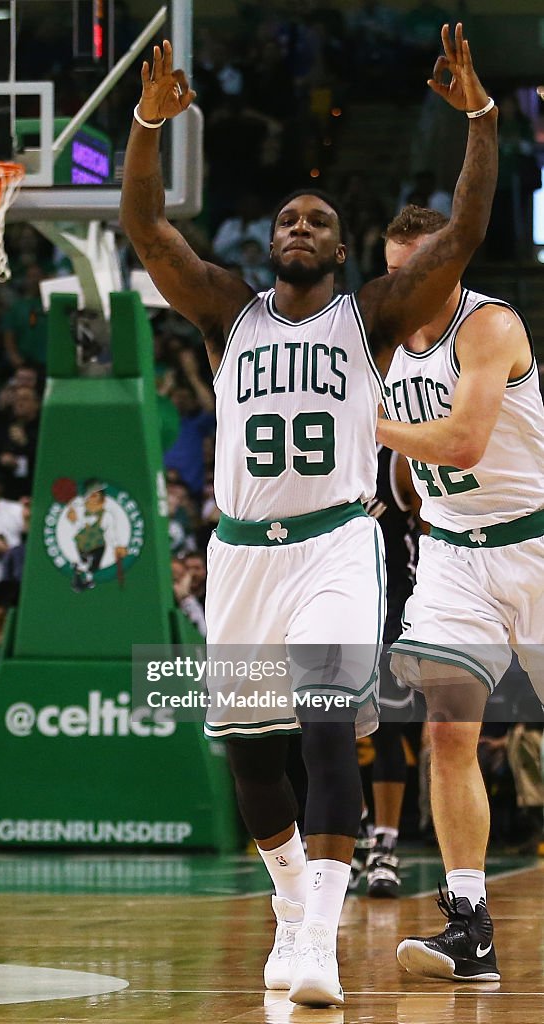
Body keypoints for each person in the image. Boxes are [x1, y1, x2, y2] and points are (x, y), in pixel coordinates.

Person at [120, 26, 497, 1007]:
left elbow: (459, 235)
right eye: (285, 217)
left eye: (316, 220)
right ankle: (290, 905)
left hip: (335, 543)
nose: (296, 226)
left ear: (339, 246)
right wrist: (146, 124)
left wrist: (482, 121)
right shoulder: (224, 310)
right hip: (242, 554)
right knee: (253, 758)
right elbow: (148, 228)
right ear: (269, 240)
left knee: (328, 730)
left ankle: (321, 940)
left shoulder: (365, 314)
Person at [377, 202, 544, 982]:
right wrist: (408, 489)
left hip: (533, 543)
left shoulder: (490, 326)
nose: (403, 284)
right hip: (452, 556)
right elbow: (418, 466)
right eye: (393, 271)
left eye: (418, 270)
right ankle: (469, 924)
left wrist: (368, 424)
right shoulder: (385, 341)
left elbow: (465, 442)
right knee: (447, 730)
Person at [351, 445, 421, 898]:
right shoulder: (326, 447)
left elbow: (433, 532)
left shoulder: (396, 458)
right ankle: (354, 834)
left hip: (393, 608)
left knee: (388, 730)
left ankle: (385, 846)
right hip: (338, 604)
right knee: (330, 726)